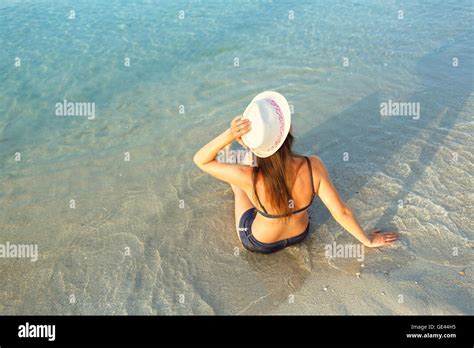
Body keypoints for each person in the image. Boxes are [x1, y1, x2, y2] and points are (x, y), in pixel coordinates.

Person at [194, 91, 399, 254]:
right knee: (255, 173)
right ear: (288, 131)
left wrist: (230, 135)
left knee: (238, 187)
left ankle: (237, 157)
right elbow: (342, 213)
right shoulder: (313, 166)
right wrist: (369, 240)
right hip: (301, 233)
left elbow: (201, 160)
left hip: (259, 242)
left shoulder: (249, 176)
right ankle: (246, 157)